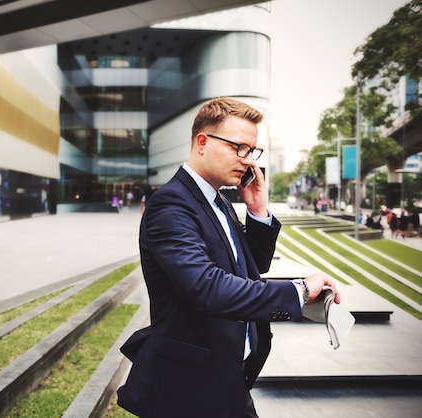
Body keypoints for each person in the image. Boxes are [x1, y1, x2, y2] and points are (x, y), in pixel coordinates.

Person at [117, 97, 341, 418]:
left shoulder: (219, 201)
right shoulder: (171, 205)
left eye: (252, 151)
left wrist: (257, 210)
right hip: (188, 387)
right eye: (239, 147)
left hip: (229, 374)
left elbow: (251, 266)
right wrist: (299, 291)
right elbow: (207, 288)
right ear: (203, 142)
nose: (247, 160)